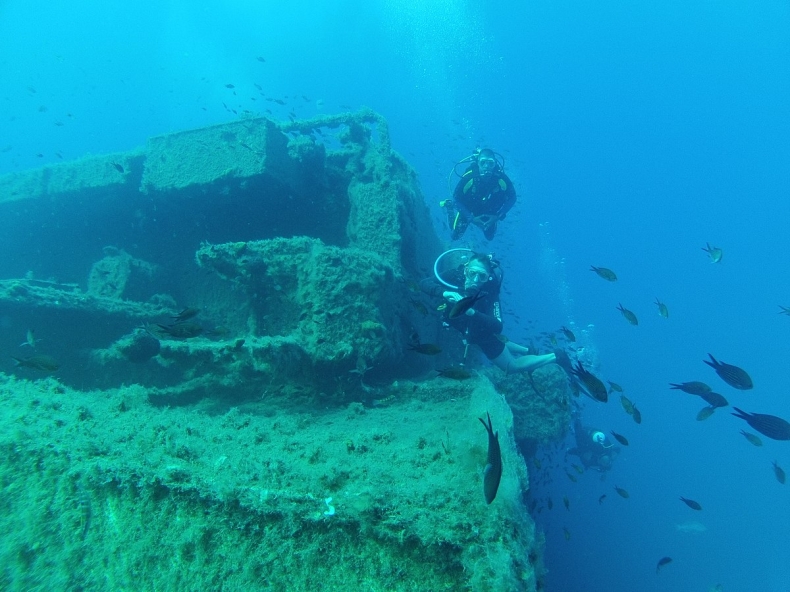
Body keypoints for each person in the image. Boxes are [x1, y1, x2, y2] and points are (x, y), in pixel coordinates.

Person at [424, 251, 555, 374]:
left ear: (488, 278)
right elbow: (424, 283)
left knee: (511, 367)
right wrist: (444, 292)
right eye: (472, 273)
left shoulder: (490, 292)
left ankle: (556, 356)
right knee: (475, 341)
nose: (475, 280)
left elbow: (498, 326)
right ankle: (527, 351)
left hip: (481, 332)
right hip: (465, 328)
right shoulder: (455, 276)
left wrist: (471, 312)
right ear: (465, 271)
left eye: (482, 276)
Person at [443, 148, 516, 241]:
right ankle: (449, 208)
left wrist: (497, 216)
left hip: (489, 211)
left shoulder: (501, 178)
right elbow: (456, 199)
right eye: (483, 162)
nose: (487, 166)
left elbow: (512, 197)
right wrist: (471, 218)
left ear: (495, 164)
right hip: (468, 209)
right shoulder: (470, 177)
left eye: (490, 163)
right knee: (455, 236)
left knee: (490, 237)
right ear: (478, 163)